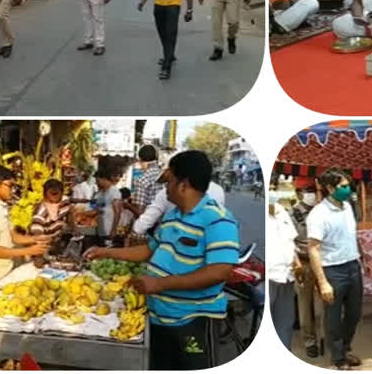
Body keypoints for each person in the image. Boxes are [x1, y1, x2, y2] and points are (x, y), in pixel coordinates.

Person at [84, 151, 240, 370]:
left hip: (192, 321)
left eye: (169, 182)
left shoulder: (218, 220)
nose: (164, 188)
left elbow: (219, 272)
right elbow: (148, 250)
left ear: (183, 185)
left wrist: (160, 284)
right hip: (158, 318)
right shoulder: (171, 216)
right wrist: (105, 252)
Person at [307, 169, 363, 370]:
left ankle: (345, 349)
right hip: (332, 270)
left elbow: (351, 235)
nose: (348, 189)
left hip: (353, 266)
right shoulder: (319, 214)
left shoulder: (347, 207)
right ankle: (338, 358)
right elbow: (313, 248)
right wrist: (322, 282)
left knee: (354, 313)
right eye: (343, 186)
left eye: (348, 185)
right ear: (330, 188)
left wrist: (360, 257)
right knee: (333, 316)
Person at [0, 167, 50, 287]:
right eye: (10, 186)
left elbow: (12, 235)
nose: (12, 190)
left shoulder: (1, 208)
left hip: (9, 270)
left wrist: (35, 239)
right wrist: (28, 251)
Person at [291, 187, 323, 358]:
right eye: (307, 191)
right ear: (299, 193)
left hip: (322, 261)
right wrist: (296, 264)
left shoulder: (321, 210)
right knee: (305, 306)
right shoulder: (293, 213)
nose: (311, 194)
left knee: (324, 304)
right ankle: (310, 342)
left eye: (313, 191)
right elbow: (289, 240)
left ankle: (325, 338)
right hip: (304, 263)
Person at [268, 194, 301, 350]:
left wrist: (297, 263)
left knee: (285, 323)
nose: (273, 191)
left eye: (274, 187)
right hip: (269, 276)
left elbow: (291, 240)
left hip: (287, 275)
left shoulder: (282, 211)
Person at [93, 168, 122, 246]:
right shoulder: (101, 192)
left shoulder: (114, 191)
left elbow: (118, 212)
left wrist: (113, 229)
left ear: (104, 179)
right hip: (100, 229)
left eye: (98, 180)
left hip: (109, 229)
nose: (97, 183)